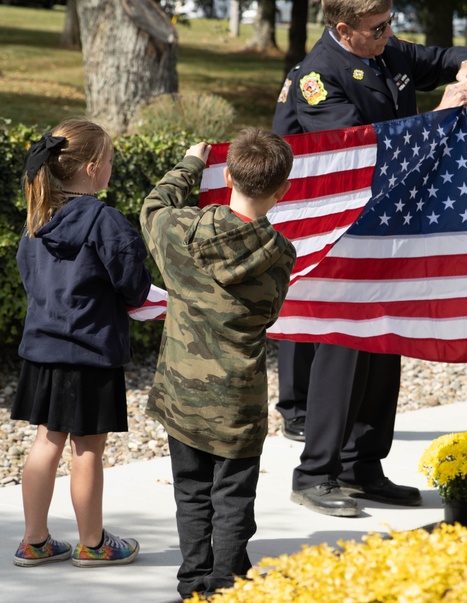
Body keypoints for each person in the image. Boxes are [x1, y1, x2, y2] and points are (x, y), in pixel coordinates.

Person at [272, 0, 467, 517]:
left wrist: (466, 64)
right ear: (344, 30)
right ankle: (316, 472)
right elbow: (362, 155)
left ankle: (363, 466)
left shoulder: (385, 50)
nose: (389, 35)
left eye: (391, 23)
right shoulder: (316, 80)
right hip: (333, 226)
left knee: (384, 340)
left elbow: (442, 55)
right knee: (343, 346)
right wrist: (441, 113)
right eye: (377, 28)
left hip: (382, 220)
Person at [140, 129, 297, 600]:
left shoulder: (178, 229)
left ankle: (193, 582)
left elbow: (151, 206)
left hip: (181, 394)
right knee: (233, 498)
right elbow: (269, 315)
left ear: (225, 175)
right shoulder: (280, 255)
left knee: (190, 491)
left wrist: (190, 163)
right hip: (237, 402)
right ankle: (228, 585)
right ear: (282, 190)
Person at [11, 119, 152, 567]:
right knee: (87, 449)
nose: (111, 168)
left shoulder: (38, 217)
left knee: (46, 442)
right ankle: (93, 544)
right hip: (90, 352)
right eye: (109, 161)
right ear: (92, 168)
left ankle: (35, 541)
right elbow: (134, 287)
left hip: (42, 351)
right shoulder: (106, 222)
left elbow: (29, 276)